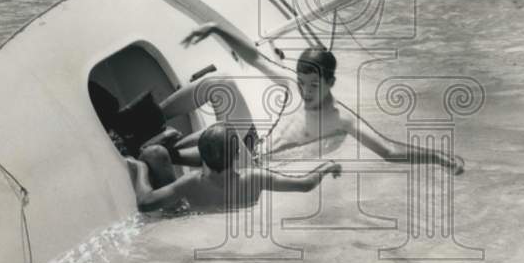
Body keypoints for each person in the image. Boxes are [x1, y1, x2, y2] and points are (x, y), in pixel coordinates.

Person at [181, 22, 465, 175]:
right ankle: (153, 120)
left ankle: (169, 150)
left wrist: (436, 156)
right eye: (302, 83)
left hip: (254, 168)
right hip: (248, 147)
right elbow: (253, 57)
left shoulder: (341, 119)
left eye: (314, 85)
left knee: (208, 142)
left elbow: (388, 151)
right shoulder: (292, 85)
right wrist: (216, 28)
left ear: (330, 83)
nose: (305, 91)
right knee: (220, 84)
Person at [126, 123, 342, 214]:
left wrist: (140, 169)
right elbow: (305, 185)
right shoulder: (255, 178)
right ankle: (164, 149)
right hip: (237, 224)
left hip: (192, 218)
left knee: (154, 155)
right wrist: (327, 166)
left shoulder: (191, 183)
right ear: (238, 154)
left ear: (201, 157)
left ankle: (158, 150)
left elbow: (145, 203)